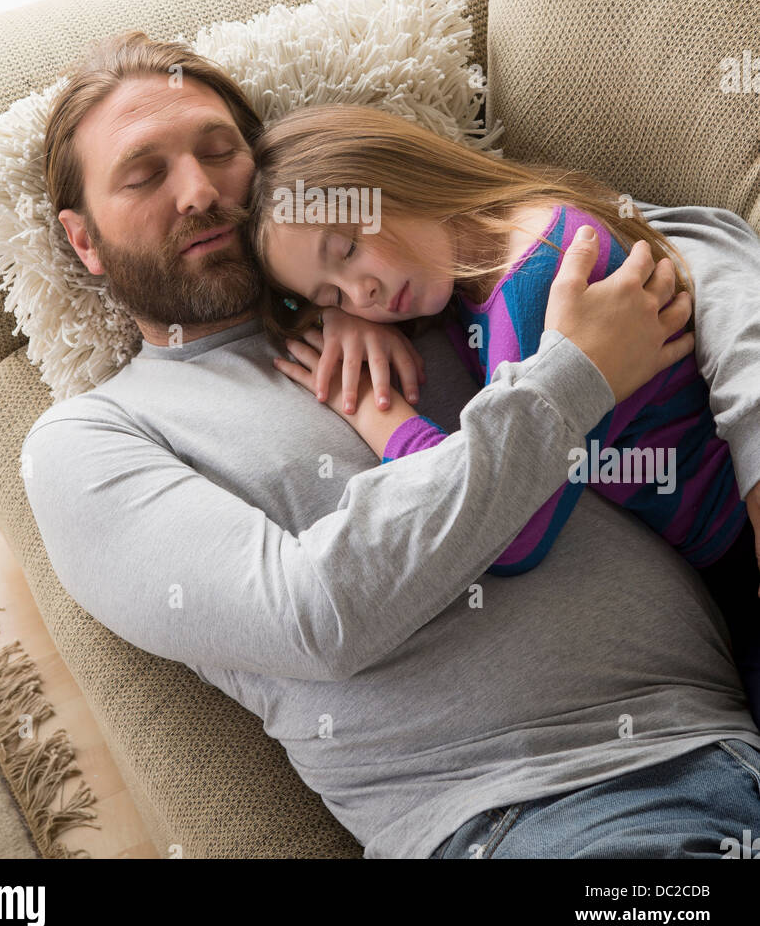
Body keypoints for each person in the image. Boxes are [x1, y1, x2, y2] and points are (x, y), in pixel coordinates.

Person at [23, 30, 760, 860]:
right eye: (145, 173)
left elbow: (667, 244)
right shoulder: (91, 442)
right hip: (539, 814)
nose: (198, 190)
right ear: (84, 240)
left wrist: (331, 295)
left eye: (219, 150)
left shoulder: (408, 278)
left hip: (730, 726)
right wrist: (569, 379)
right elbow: (312, 616)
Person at [248, 102, 760, 727]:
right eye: (333, 291)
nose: (364, 293)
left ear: (394, 174)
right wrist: (340, 318)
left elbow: (510, 530)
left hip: (738, 548)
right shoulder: (476, 264)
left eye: (349, 248)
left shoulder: (537, 281)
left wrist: (378, 414)